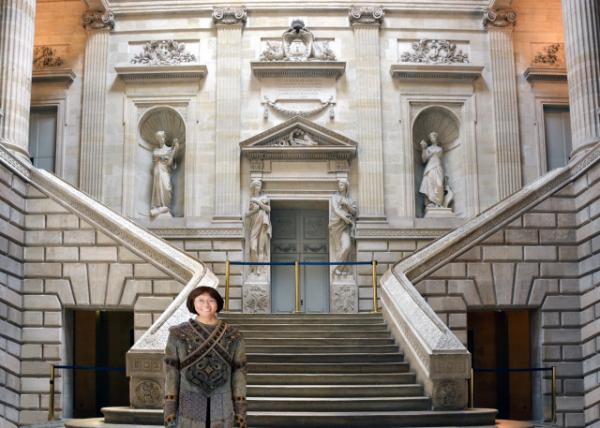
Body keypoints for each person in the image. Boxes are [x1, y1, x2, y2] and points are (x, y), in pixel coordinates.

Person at [164, 287, 246, 428]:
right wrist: (170, 414)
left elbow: (239, 376)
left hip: (222, 403)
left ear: (218, 303)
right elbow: (171, 374)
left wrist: (240, 416)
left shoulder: (234, 335)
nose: (206, 305)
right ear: (192, 303)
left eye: (211, 300)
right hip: (189, 401)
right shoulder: (177, 334)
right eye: (201, 300)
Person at [328, 179, 357, 276]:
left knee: (346, 247)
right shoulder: (334, 197)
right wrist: (345, 218)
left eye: (341, 184)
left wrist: (347, 204)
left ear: (346, 186)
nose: (340, 186)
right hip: (336, 225)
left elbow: (354, 212)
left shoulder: (350, 200)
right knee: (339, 248)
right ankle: (342, 269)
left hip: (345, 227)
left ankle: (338, 268)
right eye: (339, 184)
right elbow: (336, 210)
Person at [151, 131, 181, 218]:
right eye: (159, 138)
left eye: (162, 137)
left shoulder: (169, 150)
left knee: (167, 188)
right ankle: (159, 206)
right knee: (158, 188)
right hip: (158, 170)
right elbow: (155, 155)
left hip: (165, 171)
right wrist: (171, 150)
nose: (161, 139)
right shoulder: (157, 150)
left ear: (165, 138)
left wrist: (174, 149)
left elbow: (170, 163)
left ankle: (166, 207)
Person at [244, 179, 271, 275]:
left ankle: (259, 270)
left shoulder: (264, 198)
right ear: (254, 188)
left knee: (261, 249)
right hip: (254, 226)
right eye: (257, 186)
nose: (259, 188)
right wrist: (255, 209)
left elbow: (268, 209)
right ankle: (254, 267)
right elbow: (247, 214)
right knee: (253, 248)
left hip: (263, 224)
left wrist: (258, 203)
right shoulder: (251, 200)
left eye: (260, 186)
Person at [419, 131, 445, 208]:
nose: (432, 138)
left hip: (437, 166)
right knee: (430, 184)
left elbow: (437, 154)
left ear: (436, 138)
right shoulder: (428, 149)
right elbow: (424, 159)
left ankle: (439, 203)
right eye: (431, 137)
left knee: (439, 185)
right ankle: (432, 202)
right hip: (430, 167)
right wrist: (423, 149)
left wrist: (429, 151)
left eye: (434, 136)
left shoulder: (440, 149)